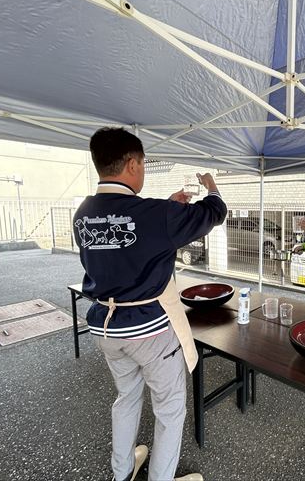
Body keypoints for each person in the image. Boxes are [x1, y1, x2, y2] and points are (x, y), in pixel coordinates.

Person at [73, 127, 226, 481]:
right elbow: (214, 212)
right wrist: (211, 186)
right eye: (142, 163)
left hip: (106, 327)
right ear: (132, 164)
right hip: (149, 330)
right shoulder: (155, 214)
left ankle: (122, 472)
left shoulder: (82, 213)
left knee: (126, 398)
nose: (142, 170)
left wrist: (168, 207)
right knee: (169, 409)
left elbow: (126, 240)